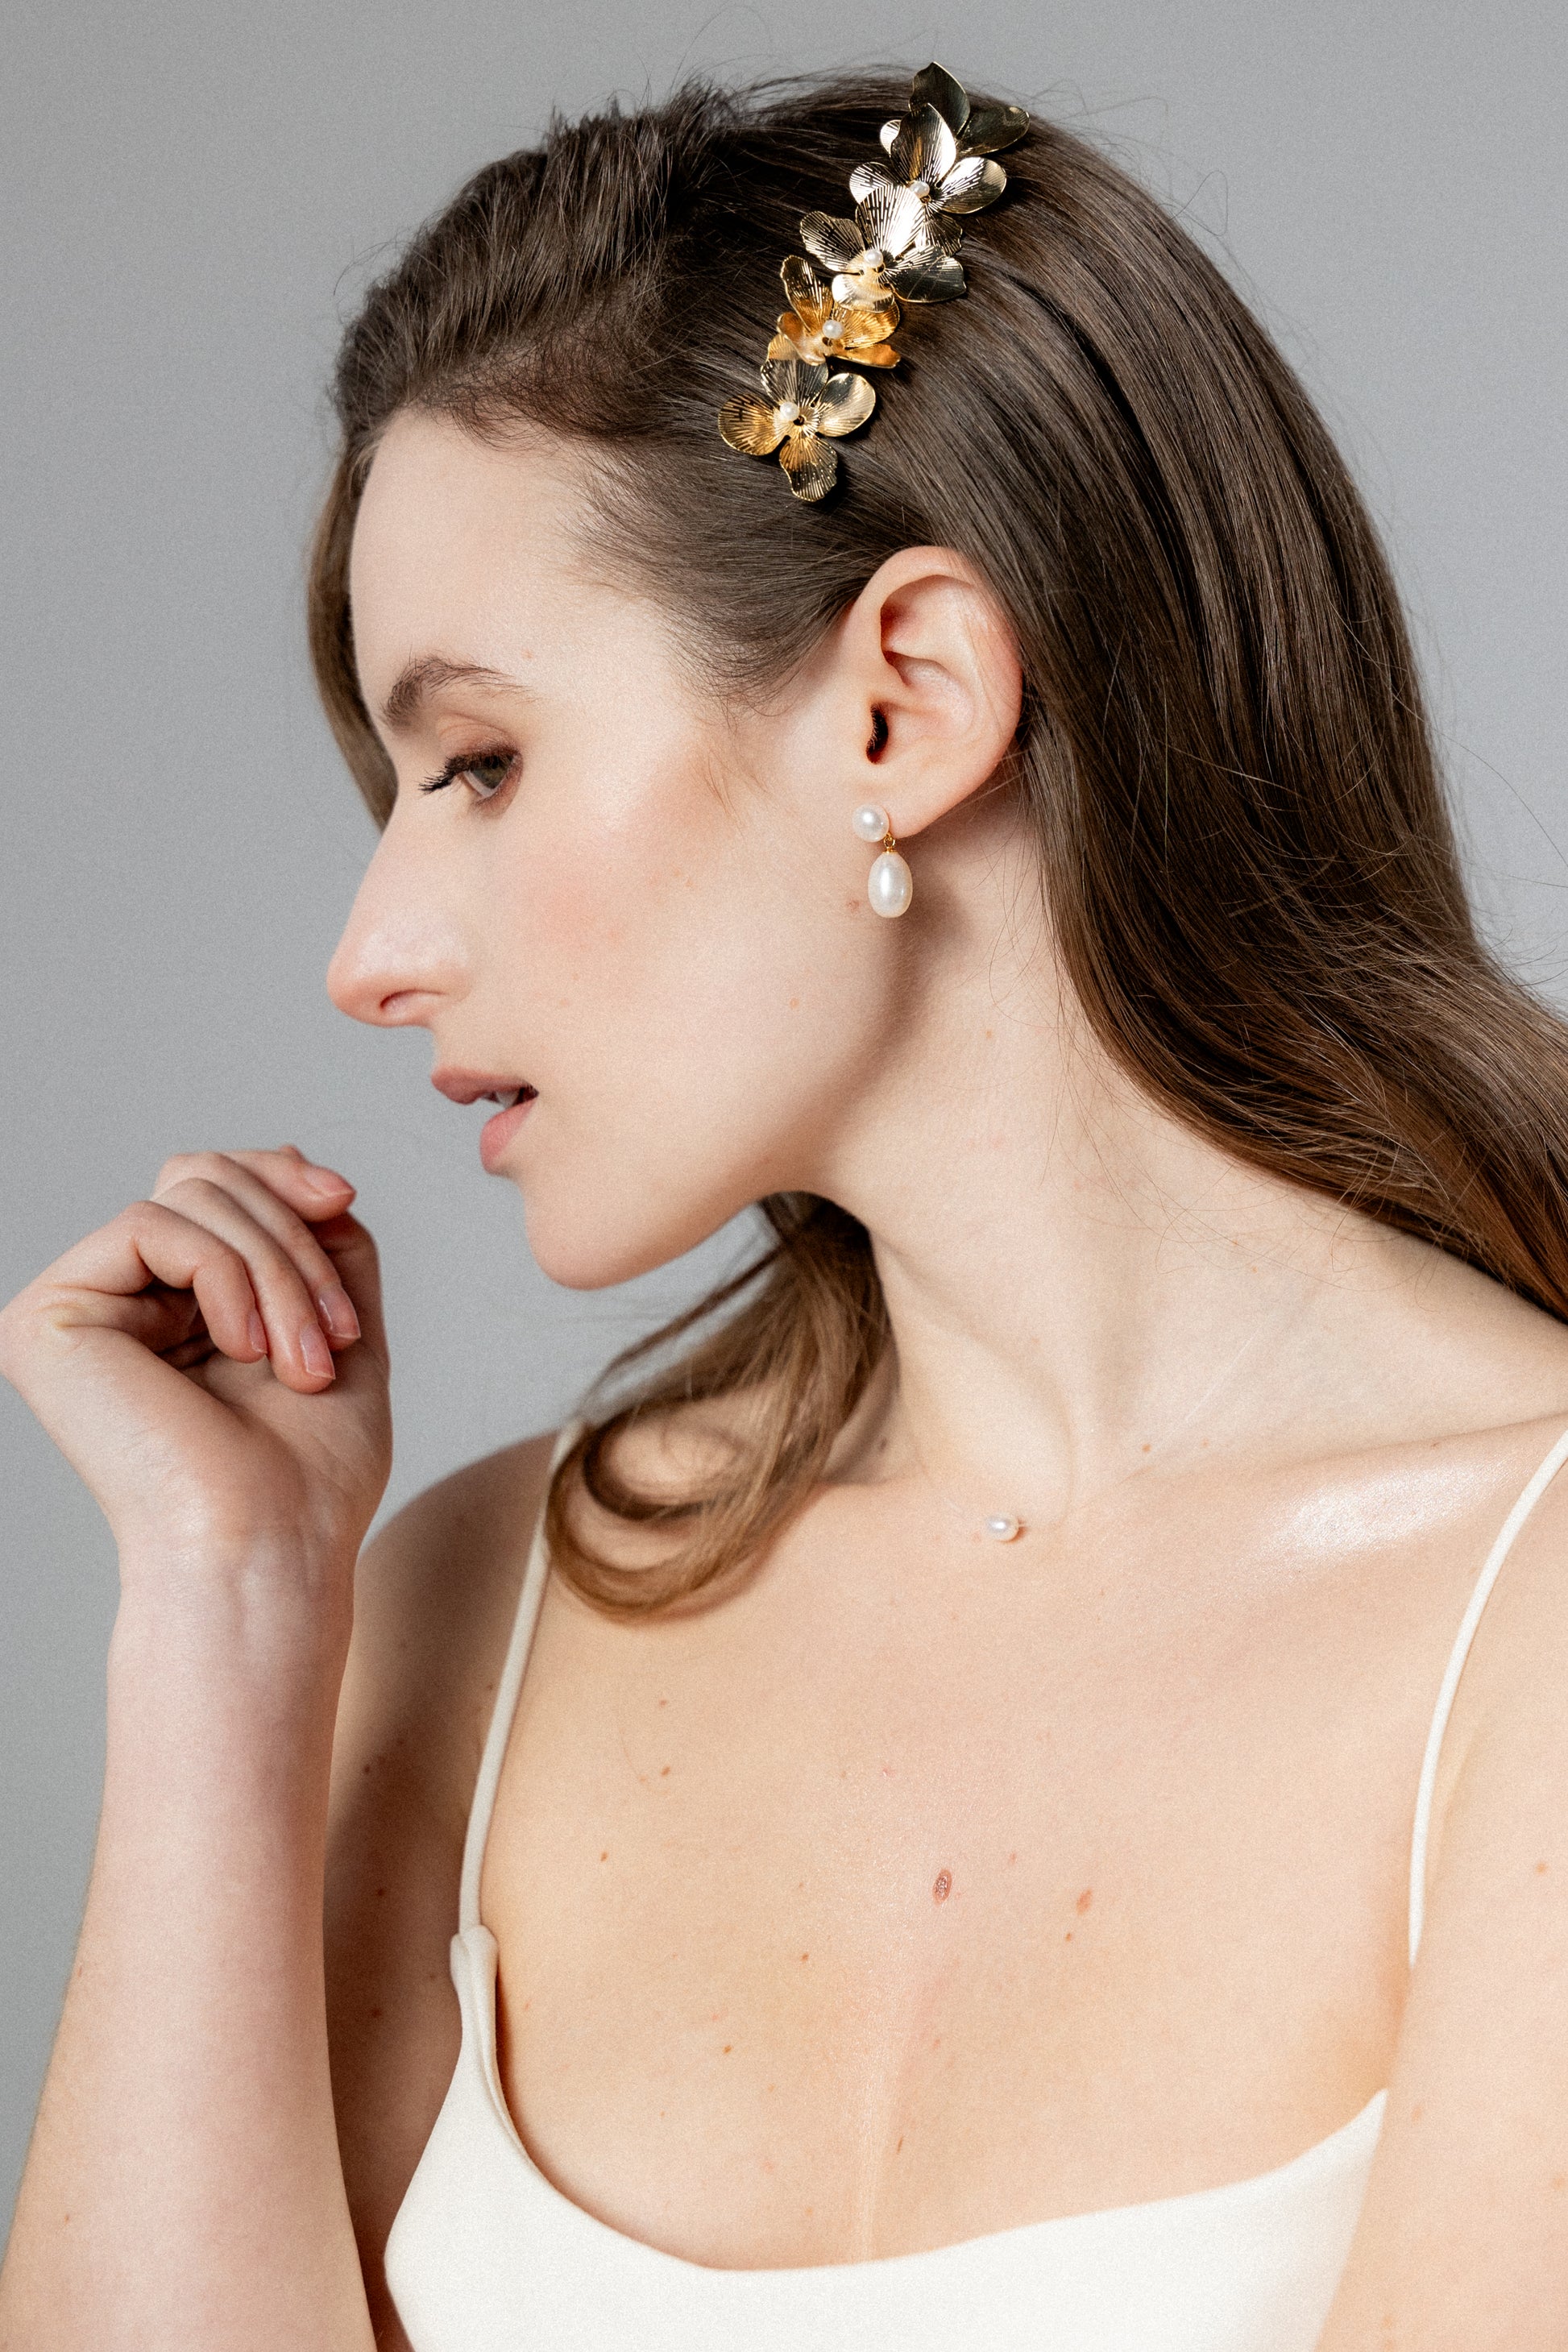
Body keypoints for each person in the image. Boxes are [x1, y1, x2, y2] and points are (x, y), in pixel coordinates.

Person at [3, 59, 1568, 2352]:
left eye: (480, 763)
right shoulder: (467, 1612)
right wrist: (229, 1616)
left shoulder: (1531, 1623)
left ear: (902, 707)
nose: (370, 952)